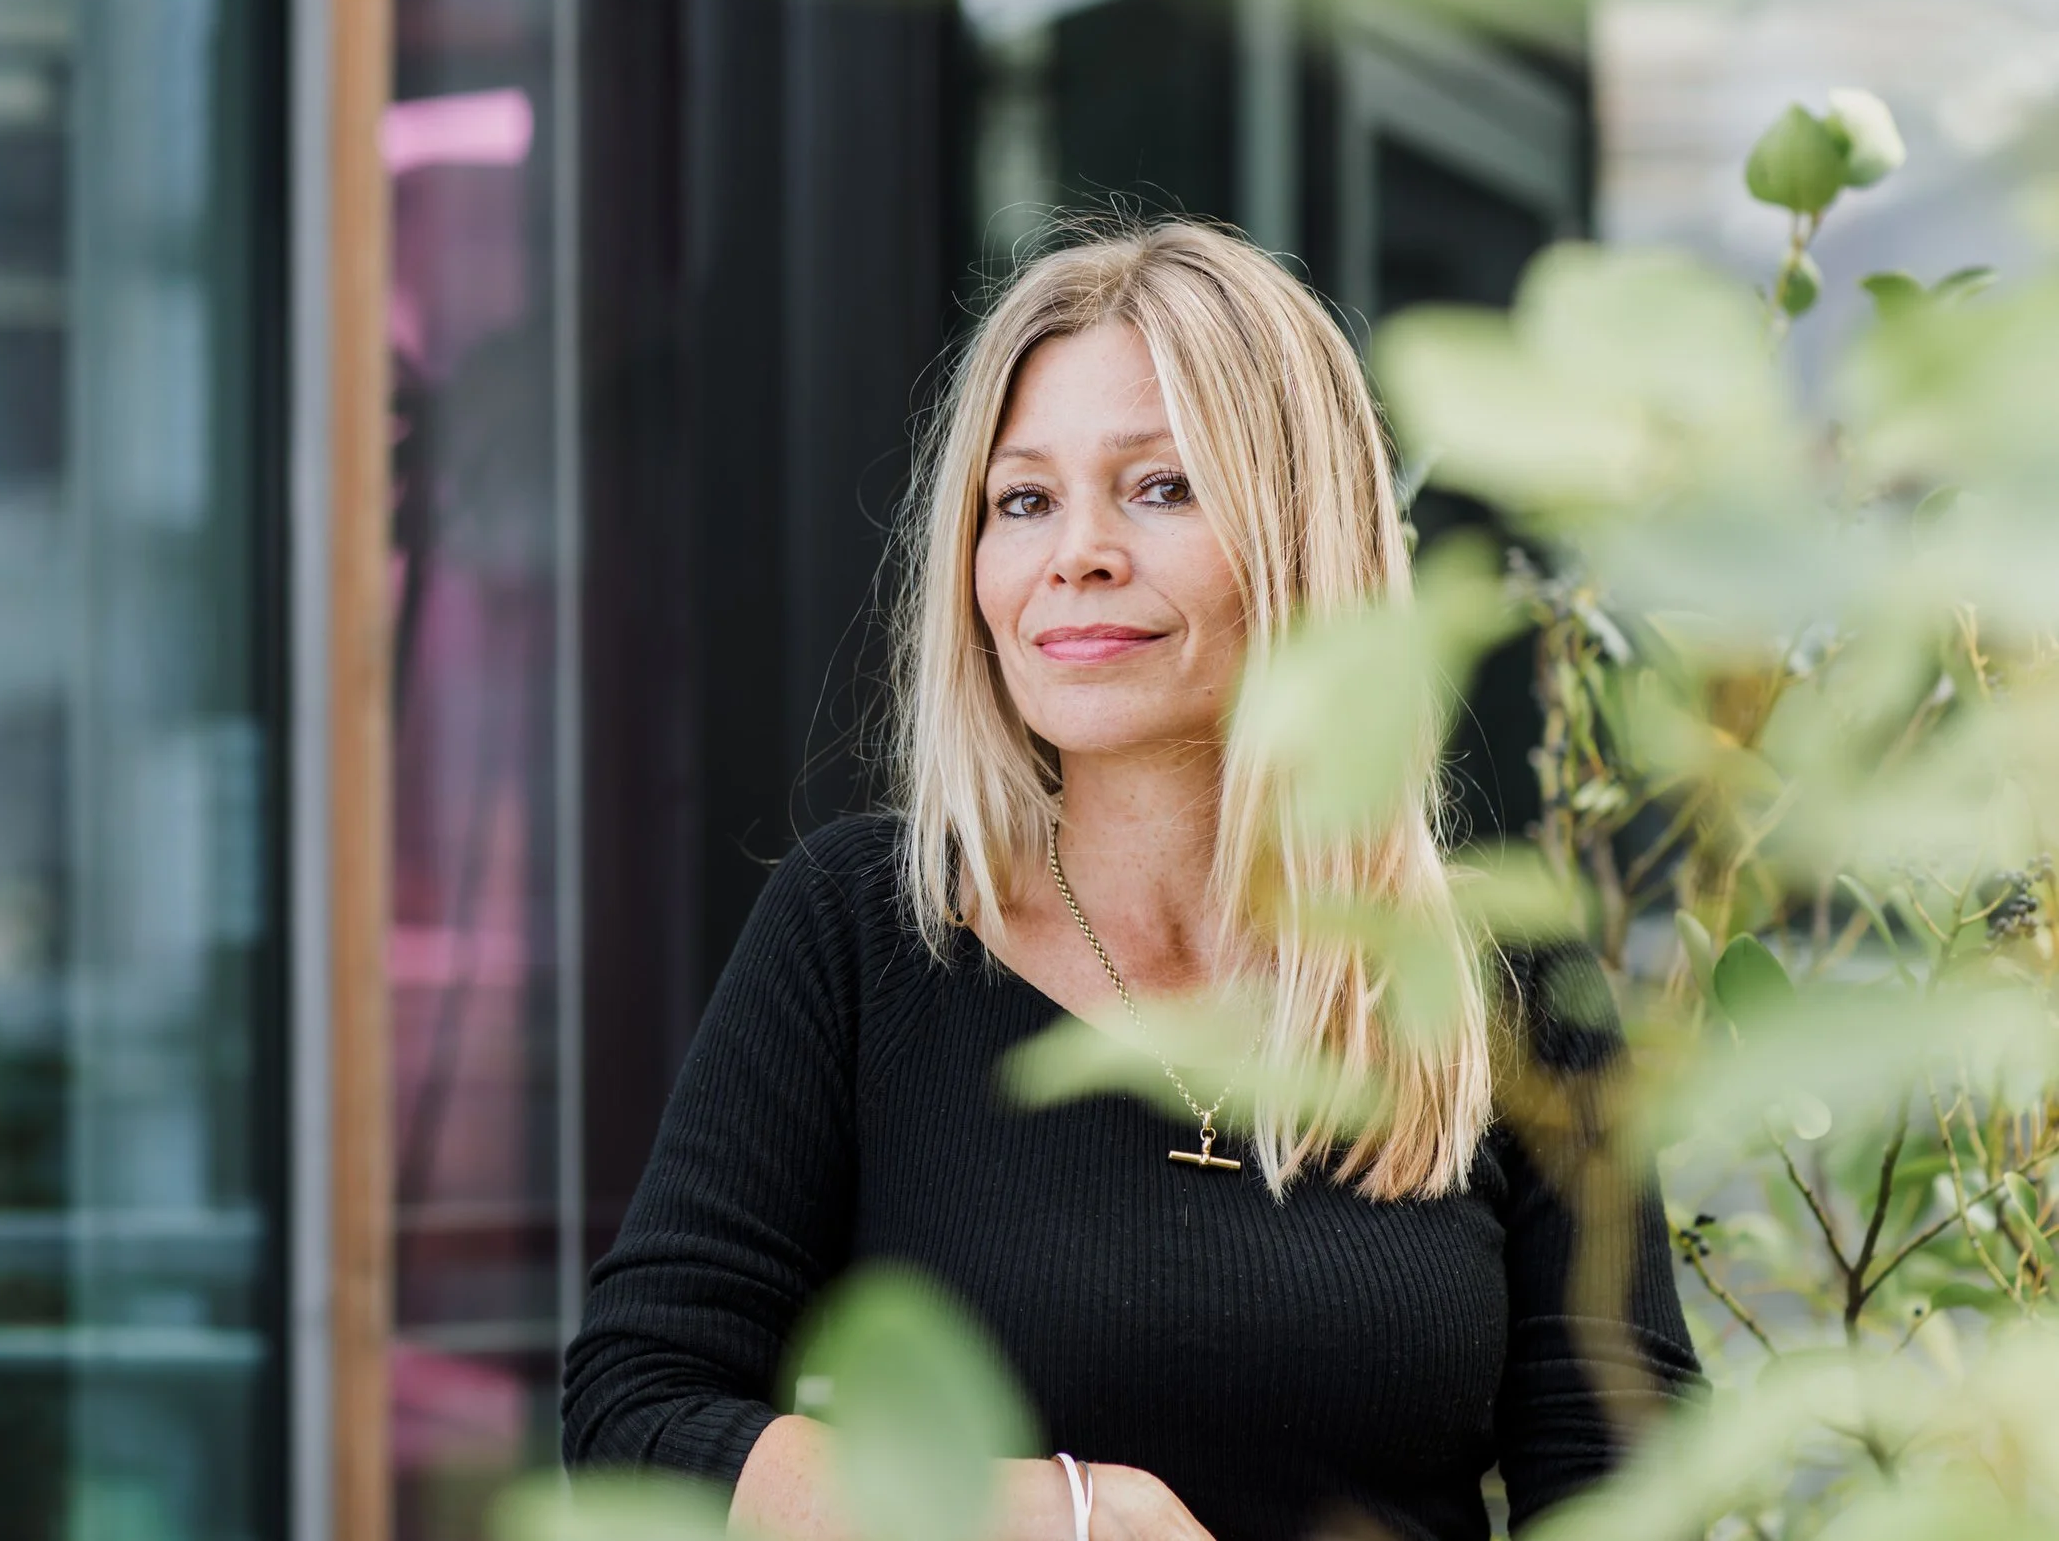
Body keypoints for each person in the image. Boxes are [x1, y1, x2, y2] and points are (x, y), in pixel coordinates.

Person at [560, 221, 1699, 1540]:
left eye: (1160, 487)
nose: (1076, 553)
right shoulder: (867, 931)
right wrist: (1062, 1513)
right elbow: (637, 1413)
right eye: (1024, 499)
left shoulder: (1505, 985)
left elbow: (1626, 1475)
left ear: (1300, 532)